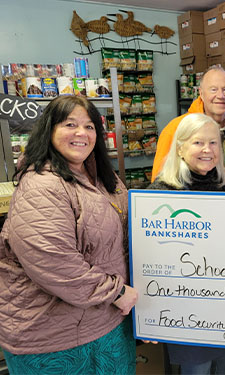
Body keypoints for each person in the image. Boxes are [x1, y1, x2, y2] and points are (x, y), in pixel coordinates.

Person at [0, 96, 138, 374]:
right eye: (70, 124)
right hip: (53, 335)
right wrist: (117, 292)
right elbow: (54, 262)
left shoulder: (102, 178)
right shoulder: (41, 185)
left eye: (89, 127)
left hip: (105, 321)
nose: (81, 133)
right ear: (49, 130)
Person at [148, 113, 225, 374]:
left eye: (213, 143)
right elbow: (149, 256)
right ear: (180, 147)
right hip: (186, 307)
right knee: (196, 369)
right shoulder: (162, 192)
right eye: (198, 143)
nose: (207, 150)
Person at [152, 67, 225, 180]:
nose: (221, 96)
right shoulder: (175, 129)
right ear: (201, 93)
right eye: (213, 89)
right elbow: (160, 179)